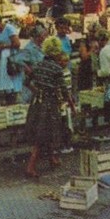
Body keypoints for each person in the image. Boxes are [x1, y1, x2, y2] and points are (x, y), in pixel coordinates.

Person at [24, 37, 73, 178]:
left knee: (47, 132)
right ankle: (30, 167)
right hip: (50, 104)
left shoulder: (38, 65)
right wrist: (70, 104)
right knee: (44, 134)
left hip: (36, 103)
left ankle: (52, 158)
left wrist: (38, 92)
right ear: (56, 52)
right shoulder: (57, 69)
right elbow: (64, 91)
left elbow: (27, 82)